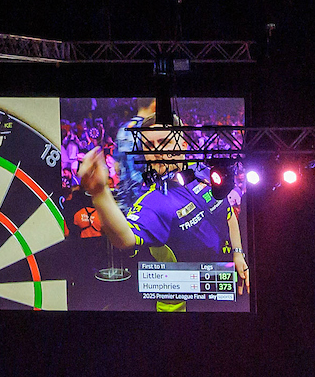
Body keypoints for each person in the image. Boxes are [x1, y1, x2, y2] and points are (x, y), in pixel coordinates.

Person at [76, 114, 251, 305]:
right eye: (149, 146)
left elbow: (228, 214)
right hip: (184, 310)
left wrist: (238, 253)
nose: (157, 151)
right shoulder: (152, 202)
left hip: (228, 288)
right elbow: (124, 239)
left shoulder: (205, 173)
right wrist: (99, 193)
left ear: (183, 144)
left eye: (163, 142)